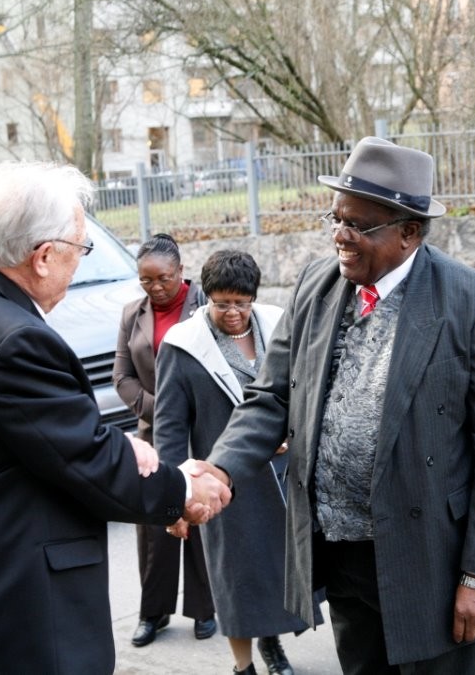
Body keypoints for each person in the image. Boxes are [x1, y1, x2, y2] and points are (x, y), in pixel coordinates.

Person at [194, 137, 475, 674]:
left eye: (358, 225)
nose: (340, 237)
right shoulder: (317, 283)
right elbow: (272, 395)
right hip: (341, 548)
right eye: (336, 219)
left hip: (430, 558)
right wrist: (218, 470)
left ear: (409, 232)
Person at [0, 161, 230, 673]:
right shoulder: (13, 339)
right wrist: (180, 489)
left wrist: (122, 447)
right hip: (17, 608)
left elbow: (29, 443)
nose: (80, 263)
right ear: (45, 256)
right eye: (81, 248)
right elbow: (81, 460)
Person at [157, 250, 321, 675]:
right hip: (223, 484)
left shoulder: (277, 325)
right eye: (222, 302)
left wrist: (291, 432)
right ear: (205, 298)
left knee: (279, 570)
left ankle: (273, 646)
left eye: (241, 302)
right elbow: (170, 428)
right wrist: (173, 498)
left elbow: (303, 389)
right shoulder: (183, 346)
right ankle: (242, 664)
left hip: (282, 477)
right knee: (237, 578)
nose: (233, 312)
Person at [113, 232, 216, 646]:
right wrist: (164, 411)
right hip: (153, 435)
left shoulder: (207, 307)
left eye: (164, 279)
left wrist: (185, 413)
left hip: (201, 432)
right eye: (146, 281)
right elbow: (122, 377)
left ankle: (204, 608)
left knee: (197, 513)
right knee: (154, 523)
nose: (155, 288)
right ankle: (152, 613)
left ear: (181, 272)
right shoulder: (130, 314)